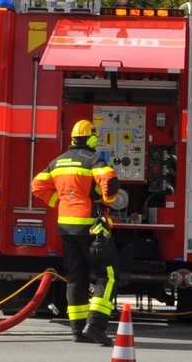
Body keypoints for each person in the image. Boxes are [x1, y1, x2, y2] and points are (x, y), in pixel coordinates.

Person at [31, 119, 123, 343]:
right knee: (108, 275)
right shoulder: (93, 160)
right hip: (91, 227)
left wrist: (59, 201)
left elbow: (37, 186)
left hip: (66, 227)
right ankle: (96, 325)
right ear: (91, 139)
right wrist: (106, 200)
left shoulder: (57, 162)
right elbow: (110, 181)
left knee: (76, 276)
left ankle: (77, 329)